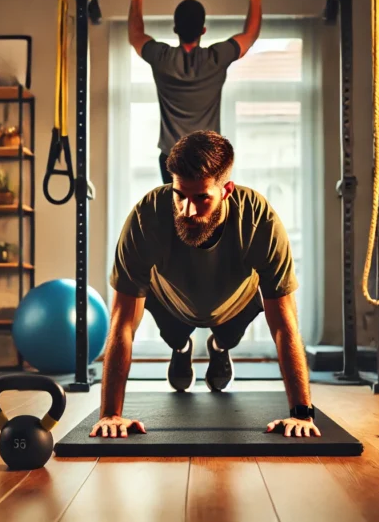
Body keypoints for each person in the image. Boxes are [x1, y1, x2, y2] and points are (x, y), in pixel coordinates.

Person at [90, 131, 320, 440]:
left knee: (228, 336)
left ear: (226, 191)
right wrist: (110, 415)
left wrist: (302, 414)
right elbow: (122, 323)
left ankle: (218, 347)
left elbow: (284, 324)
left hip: (235, 303)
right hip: (170, 301)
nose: (188, 210)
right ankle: (182, 348)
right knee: (173, 334)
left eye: (201, 198)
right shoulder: (146, 218)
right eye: (179, 196)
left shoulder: (259, 221)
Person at [127, 0, 267, 184]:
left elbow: (136, 35)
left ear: (175, 29)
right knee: (209, 213)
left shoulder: (162, 57)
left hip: (171, 156)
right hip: (207, 156)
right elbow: (250, 35)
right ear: (203, 30)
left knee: (177, 214)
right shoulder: (216, 57)